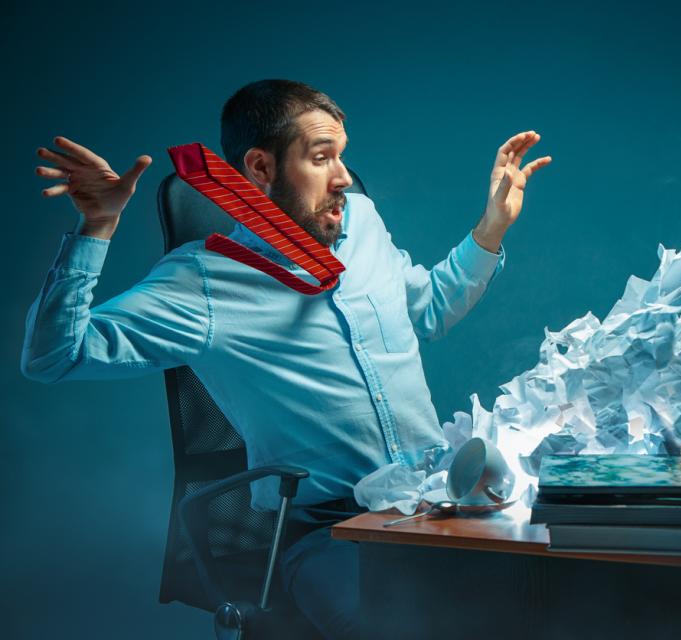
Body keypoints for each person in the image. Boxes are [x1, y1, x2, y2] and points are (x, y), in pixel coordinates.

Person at [21, 79, 550, 638]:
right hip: (331, 532)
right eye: (322, 158)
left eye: (342, 156)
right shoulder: (203, 282)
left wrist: (492, 227)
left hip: (440, 508)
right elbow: (53, 356)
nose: (344, 177)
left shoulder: (363, 222)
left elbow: (428, 311)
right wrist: (97, 227)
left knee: (573, 583)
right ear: (260, 168)